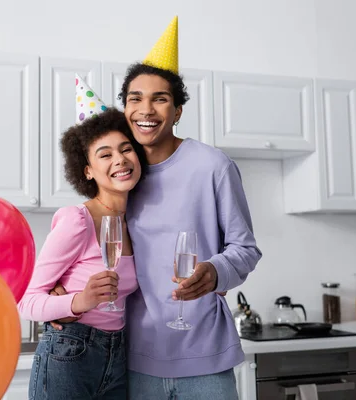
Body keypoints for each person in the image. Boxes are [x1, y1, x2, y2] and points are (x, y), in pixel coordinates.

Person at [50, 16, 262, 399]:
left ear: (177, 110)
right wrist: (64, 296)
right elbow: (89, 245)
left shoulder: (213, 166)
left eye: (160, 98)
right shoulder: (123, 176)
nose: (145, 109)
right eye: (135, 98)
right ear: (125, 108)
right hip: (135, 358)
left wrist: (216, 272)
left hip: (205, 356)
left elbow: (245, 248)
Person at [17, 75, 148, 400]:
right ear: (87, 170)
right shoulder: (79, 220)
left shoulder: (138, 223)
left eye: (126, 149)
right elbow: (27, 302)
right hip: (69, 353)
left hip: (118, 355)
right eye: (104, 154)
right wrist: (79, 301)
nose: (119, 159)